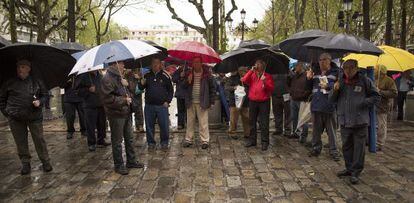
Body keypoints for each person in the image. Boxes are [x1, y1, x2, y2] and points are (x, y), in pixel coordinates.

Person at [330, 59, 380, 184]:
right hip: (345, 119)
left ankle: (356, 172)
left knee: (359, 148)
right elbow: (331, 100)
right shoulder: (340, 81)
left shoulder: (365, 81)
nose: (348, 71)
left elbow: (376, 96)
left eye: (351, 68)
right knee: (346, 146)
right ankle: (348, 168)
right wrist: (335, 90)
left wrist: (364, 102)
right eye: (345, 68)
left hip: (360, 120)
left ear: (356, 68)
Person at [0, 59, 53, 175]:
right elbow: (2, 99)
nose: (20, 69)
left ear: (29, 69)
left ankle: (45, 161)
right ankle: (25, 163)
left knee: (39, 140)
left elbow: (45, 95)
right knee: (20, 141)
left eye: (23, 66)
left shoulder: (37, 81)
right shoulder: (9, 82)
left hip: (34, 116)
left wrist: (40, 101)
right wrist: (7, 113)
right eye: (18, 67)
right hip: (15, 118)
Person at [100, 61, 144, 175]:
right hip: (116, 115)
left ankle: (131, 160)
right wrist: (124, 100)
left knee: (129, 138)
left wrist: (127, 84)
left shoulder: (121, 76)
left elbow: (130, 91)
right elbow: (108, 99)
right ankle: (119, 165)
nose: (124, 65)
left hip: (126, 112)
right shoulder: (107, 79)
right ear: (115, 64)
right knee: (117, 141)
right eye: (121, 63)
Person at [306, 53, 340, 161]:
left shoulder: (337, 73)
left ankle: (334, 151)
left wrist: (329, 86)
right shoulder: (315, 72)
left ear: (330, 60)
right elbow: (308, 89)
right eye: (320, 60)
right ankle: (316, 148)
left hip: (329, 106)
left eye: (324, 59)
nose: (321, 62)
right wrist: (309, 79)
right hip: (316, 106)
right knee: (316, 131)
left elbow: (340, 87)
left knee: (331, 131)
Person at [138, 57, 174, 150]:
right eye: (153, 62)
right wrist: (141, 83)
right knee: (149, 126)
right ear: (151, 64)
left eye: (157, 63)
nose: (155, 64)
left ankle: (164, 142)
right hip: (149, 105)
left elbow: (170, 90)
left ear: (160, 64)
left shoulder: (165, 76)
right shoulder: (146, 76)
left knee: (164, 126)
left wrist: (167, 101)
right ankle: (151, 143)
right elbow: (140, 88)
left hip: (162, 106)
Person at [182, 56, 216, 149]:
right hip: (191, 101)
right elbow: (183, 87)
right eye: (194, 62)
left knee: (203, 122)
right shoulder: (189, 73)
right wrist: (187, 81)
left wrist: (212, 102)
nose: (196, 64)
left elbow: (212, 88)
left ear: (201, 63)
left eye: (198, 62)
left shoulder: (207, 75)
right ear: (192, 64)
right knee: (190, 122)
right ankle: (188, 139)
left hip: (203, 101)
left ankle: (205, 140)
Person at [242, 59, 275, 151]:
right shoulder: (252, 75)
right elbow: (244, 80)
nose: (256, 65)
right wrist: (251, 71)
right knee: (252, 121)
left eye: (258, 64)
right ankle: (252, 140)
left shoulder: (267, 76)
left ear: (263, 66)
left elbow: (271, 88)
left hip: (264, 102)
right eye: (255, 64)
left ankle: (265, 142)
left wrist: (264, 81)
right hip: (253, 101)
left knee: (264, 123)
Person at [78, 71, 110, 152]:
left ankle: (101, 140)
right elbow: (78, 91)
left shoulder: (100, 76)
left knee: (102, 124)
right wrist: (88, 90)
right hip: (89, 105)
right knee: (90, 126)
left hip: (100, 103)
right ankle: (91, 143)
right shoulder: (84, 76)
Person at [374, 65, 397, 151]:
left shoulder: (389, 80)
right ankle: (372, 141)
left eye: (375, 69)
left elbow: (394, 93)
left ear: (381, 71)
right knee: (373, 125)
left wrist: (380, 91)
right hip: (373, 106)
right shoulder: (374, 79)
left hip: (382, 106)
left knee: (381, 125)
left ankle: (380, 143)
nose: (374, 71)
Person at [288, 62, 311, 143]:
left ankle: (303, 136)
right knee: (294, 117)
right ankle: (295, 132)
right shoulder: (294, 76)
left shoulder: (306, 76)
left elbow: (308, 88)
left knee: (303, 119)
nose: (295, 67)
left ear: (301, 67)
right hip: (294, 99)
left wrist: (303, 95)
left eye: (296, 66)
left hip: (302, 100)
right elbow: (291, 85)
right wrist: (291, 93)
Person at [225, 67, 250, 139]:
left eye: (245, 71)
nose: (243, 72)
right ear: (239, 71)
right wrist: (234, 87)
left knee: (246, 117)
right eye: (242, 71)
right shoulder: (232, 77)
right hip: (234, 101)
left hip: (245, 101)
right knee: (234, 118)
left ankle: (247, 133)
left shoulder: (248, 77)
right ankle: (232, 133)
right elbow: (227, 87)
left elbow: (251, 86)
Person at [271, 71, 291, 137]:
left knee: (288, 113)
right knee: (277, 113)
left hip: (286, 95)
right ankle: (278, 129)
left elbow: (292, 81)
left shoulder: (288, 72)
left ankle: (287, 130)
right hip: (275, 95)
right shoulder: (272, 73)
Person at [172, 65, 187, 130]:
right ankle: (180, 124)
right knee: (180, 110)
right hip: (180, 94)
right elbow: (174, 79)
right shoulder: (177, 71)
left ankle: (187, 123)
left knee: (187, 110)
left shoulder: (189, 71)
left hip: (187, 94)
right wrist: (180, 76)